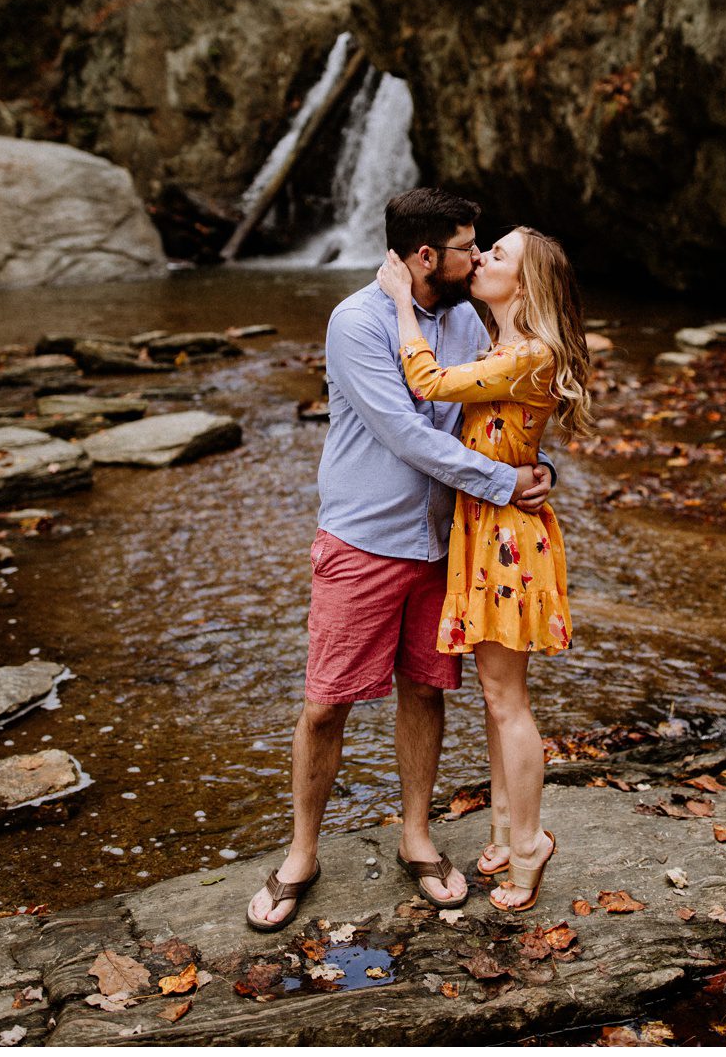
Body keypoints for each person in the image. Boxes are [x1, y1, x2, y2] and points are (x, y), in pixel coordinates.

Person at [247, 188, 555, 933]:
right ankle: (301, 854)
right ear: (426, 256)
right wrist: (502, 481)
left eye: (484, 248)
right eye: (466, 247)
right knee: (326, 703)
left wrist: (531, 465)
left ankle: (417, 837)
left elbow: (496, 406)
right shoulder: (357, 321)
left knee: (425, 691)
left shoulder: (462, 319)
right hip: (364, 542)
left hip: (446, 544)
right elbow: (407, 433)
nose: (478, 257)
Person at [376, 224, 592, 912]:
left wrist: (401, 304)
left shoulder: (529, 351)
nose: (483, 260)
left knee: (507, 700)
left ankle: (529, 844)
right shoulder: (505, 343)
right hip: (488, 526)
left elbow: (427, 381)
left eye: (498, 255)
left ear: (523, 286)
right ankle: (503, 827)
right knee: (498, 702)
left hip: (506, 538)